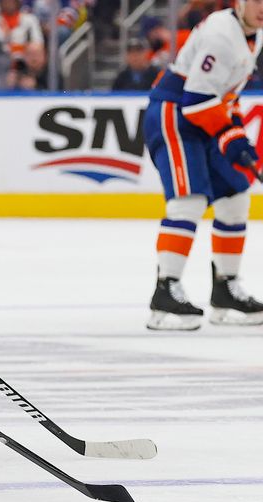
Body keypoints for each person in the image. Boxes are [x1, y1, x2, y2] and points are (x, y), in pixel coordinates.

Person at [143, 0, 263, 330]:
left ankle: (225, 290)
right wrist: (233, 139)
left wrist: (237, 137)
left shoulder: (255, 34)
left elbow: (224, 97)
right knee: (188, 201)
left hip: (201, 117)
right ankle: (164, 294)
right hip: (173, 115)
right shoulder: (221, 34)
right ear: (239, 3)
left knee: (235, 199)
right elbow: (195, 102)